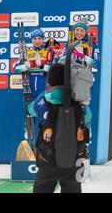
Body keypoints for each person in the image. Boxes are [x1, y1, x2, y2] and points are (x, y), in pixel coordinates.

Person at [29, 63, 91, 193]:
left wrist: (45, 92)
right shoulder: (78, 101)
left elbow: (31, 109)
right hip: (74, 159)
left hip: (48, 159)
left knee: (43, 188)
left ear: (49, 80)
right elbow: (88, 117)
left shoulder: (44, 99)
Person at [14, 28, 57, 101]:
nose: (37, 41)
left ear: (43, 39)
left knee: (45, 108)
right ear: (31, 39)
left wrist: (42, 66)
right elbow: (16, 69)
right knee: (29, 109)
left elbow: (55, 70)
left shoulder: (49, 52)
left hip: (45, 83)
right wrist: (26, 66)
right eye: (34, 38)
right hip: (29, 85)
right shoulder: (26, 52)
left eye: (39, 38)